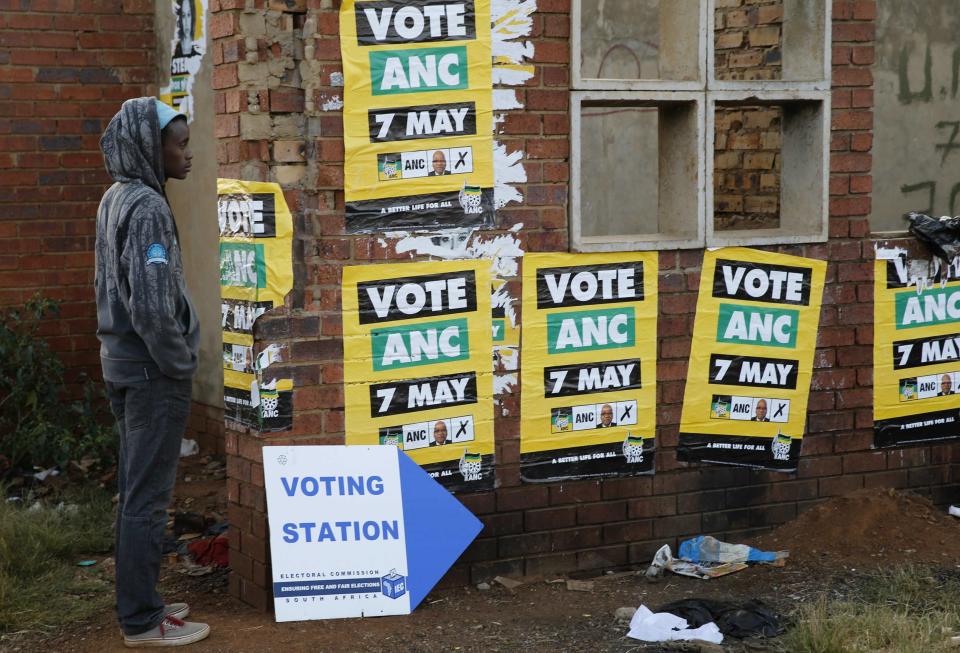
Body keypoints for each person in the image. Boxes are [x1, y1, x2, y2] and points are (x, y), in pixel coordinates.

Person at [96, 97, 209, 647]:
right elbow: (149, 308)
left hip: (122, 367)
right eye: (180, 144)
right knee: (147, 498)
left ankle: (141, 601)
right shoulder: (146, 207)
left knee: (134, 490)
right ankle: (142, 619)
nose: (189, 154)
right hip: (150, 375)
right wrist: (179, 362)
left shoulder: (115, 198)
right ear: (150, 146)